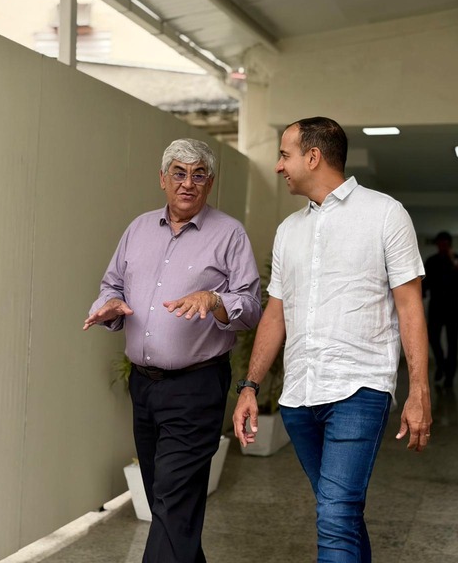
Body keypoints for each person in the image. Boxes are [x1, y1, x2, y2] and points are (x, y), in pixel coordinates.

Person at [233, 116, 432, 563]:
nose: (278, 166)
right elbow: (276, 313)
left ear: (313, 157)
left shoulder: (385, 214)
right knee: (340, 512)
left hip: (359, 389)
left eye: (284, 155)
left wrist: (418, 389)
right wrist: (250, 386)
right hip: (299, 396)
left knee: (336, 514)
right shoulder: (288, 230)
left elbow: (409, 306)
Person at [84, 138, 261, 563]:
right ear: (163, 179)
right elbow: (112, 284)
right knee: (165, 501)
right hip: (144, 386)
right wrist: (109, 305)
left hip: (196, 387)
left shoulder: (229, 234)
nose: (188, 183)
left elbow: (252, 307)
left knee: (173, 499)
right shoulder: (138, 229)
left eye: (198, 175)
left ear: (210, 183)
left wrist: (215, 300)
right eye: (179, 173)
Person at [423, 231, 458, 387]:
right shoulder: (431, 261)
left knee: (452, 343)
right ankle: (441, 364)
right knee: (432, 337)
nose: (442, 246)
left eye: (445, 243)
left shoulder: (457, 259)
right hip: (436, 306)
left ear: (450, 244)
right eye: (440, 243)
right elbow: (425, 283)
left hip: (453, 308)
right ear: (437, 244)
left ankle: (450, 376)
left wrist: (453, 258)